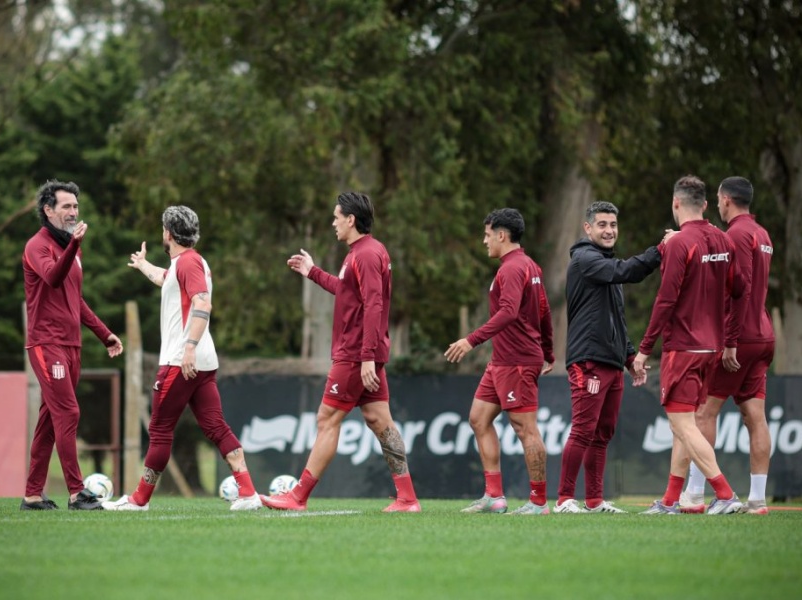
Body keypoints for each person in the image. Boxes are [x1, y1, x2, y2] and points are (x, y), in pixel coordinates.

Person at [260, 192, 421, 513]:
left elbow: (375, 304)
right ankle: (407, 498)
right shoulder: (363, 253)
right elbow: (348, 293)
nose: (333, 222)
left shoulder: (365, 254)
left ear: (351, 219)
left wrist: (365, 357)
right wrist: (312, 271)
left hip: (354, 354)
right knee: (380, 421)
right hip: (364, 353)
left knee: (327, 419)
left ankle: (298, 496)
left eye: (336, 216)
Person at [103, 206, 261, 511]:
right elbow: (168, 281)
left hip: (181, 360)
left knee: (160, 429)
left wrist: (188, 346)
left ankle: (139, 500)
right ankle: (248, 493)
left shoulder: (187, 264)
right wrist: (143, 265)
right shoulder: (190, 262)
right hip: (203, 362)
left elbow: (202, 302)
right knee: (216, 427)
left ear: (168, 233)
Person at [633, 175, 745, 515]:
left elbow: (665, 301)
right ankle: (671, 501)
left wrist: (643, 349)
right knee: (687, 423)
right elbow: (738, 286)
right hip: (711, 347)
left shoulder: (681, 243)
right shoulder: (723, 239)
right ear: (707, 205)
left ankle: (725, 494)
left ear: (675, 203)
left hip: (683, 346)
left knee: (681, 423)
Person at [554, 201, 667, 514]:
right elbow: (628, 271)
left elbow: (615, 319)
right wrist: (659, 250)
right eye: (602, 224)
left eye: (613, 225)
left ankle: (595, 501)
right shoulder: (585, 259)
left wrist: (630, 357)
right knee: (582, 430)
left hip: (612, 363)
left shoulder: (605, 263)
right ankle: (564, 499)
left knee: (602, 435)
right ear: (587, 228)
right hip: (588, 361)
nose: (609, 230)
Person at [21, 180, 124, 511]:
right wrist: (73, 247)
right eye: (66, 206)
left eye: (75, 206)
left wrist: (104, 333)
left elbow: (74, 300)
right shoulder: (37, 246)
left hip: (72, 345)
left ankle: (33, 495)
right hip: (46, 343)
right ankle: (77, 492)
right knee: (68, 411)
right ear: (48, 211)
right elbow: (52, 277)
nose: (73, 211)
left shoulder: (71, 248)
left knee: (50, 420)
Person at [445, 208, 554, 515]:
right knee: (479, 419)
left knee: (526, 429)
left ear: (502, 235)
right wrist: (548, 350)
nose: (485, 241)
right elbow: (544, 311)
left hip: (516, 362)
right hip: (503, 360)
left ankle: (538, 502)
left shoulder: (512, 269)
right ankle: (494, 497)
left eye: (487, 234)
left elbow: (508, 312)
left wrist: (471, 340)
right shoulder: (529, 265)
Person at [680, 177, 775, 515]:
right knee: (755, 417)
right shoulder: (762, 234)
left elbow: (741, 290)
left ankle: (693, 495)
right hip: (764, 335)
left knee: (704, 411)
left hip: (741, 339)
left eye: (718, 201)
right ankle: (758, 500)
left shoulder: (735, 234)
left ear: (725, 200)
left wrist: (730, 342)